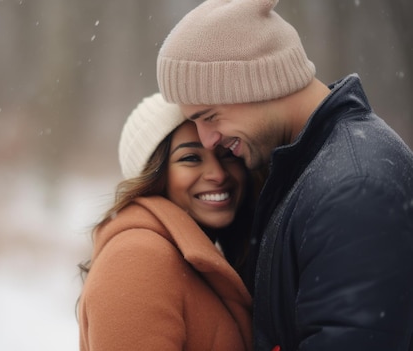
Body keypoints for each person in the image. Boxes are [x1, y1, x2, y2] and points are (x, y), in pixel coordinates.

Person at [156, 0, 413, 350]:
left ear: (257, 83)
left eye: (210, 116)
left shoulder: (354, 186)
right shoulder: (307, 167)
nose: (208, 140)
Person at [77, 92, 261, 350]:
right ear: (154, 176)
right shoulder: (137, 258)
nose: (218, 174)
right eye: (190, 158)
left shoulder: (193, 255)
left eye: (227, 154)